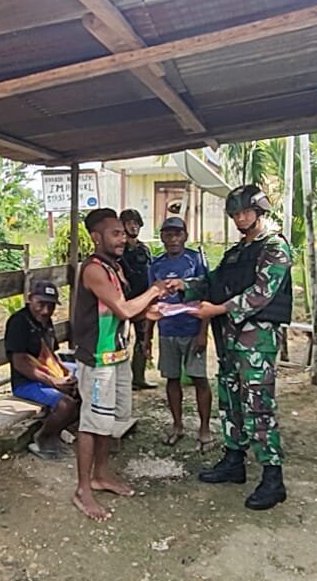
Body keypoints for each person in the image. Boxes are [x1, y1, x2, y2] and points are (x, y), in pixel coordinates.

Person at [177, 186, 293, 511]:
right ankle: (234, 459)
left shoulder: (275, 247)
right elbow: (213, 283)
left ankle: (273, 477)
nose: (240, 219)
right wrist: (184, 287)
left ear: (260, 211)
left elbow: (261, 292)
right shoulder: (236, 251)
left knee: (258, 403)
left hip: (256, 340)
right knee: (229, 399)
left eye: (245, 212)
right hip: (229, 339)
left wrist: (217, 310)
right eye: (235, 214)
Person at [71, 208, 168, 521]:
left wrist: (147, 312)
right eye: (115, 233)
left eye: (123, 233)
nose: (123, 238)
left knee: (110, 422)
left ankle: (101, 474)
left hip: (118, 356)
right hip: (98, 360)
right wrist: (154, 291)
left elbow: (120, 310)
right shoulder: (93, 269)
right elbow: (123, 309)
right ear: (96, 237)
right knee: (91, 424)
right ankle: (83, 489)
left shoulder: (114, 267)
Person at [148, 217, 214, 451]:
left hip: (192, 329)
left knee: (199, 379)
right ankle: (177, 425)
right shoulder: (156, 265)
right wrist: (147, 338)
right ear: (162, 237)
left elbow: (208, 295)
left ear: (185, 235)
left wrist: (203, 333)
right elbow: (151, 301)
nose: (173, 239)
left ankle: (204, 428)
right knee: (172, 379)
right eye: (168, 234)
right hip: (167, 331)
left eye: (177, 234)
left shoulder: (196, 260)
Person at [5, 280, 79, 459]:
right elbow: (20, 363)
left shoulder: (45, 321)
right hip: (26, 381)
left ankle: (62, 427)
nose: (45, 311)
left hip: (47, 373)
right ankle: (43, 439)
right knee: (66, 404)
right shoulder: (18, 322)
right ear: (30, 299)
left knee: (85, 375)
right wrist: (54, 382)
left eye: (51, 306)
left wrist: (65, 373)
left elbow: (51, 355)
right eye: (41, 304)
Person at [118, 208, 157, 390]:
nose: (133, 226)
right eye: (129, 223)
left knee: (143, 340)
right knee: (121, 341)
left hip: (143, 302)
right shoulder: (118, 249)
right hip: (122, 304)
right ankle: (122, 380)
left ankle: (138, 377)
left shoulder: (144, 249)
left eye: (135, 223)